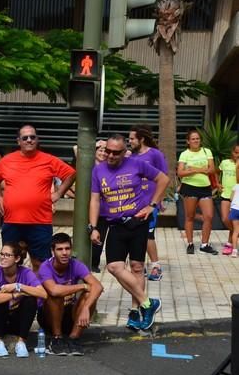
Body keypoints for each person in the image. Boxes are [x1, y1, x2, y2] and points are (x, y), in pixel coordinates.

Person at [89, 134, 168, 332]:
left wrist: (152, 205)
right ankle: (149, 303)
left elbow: (163, 179)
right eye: (108, 151)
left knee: (137, 267)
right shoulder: (98, 171)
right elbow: (95, 200)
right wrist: (93, 227)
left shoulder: (136, 164)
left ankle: (135, 311)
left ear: (125, 152)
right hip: (115, 224)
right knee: (114, 267)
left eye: (116, 152)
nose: (111, 155)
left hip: (138, 221)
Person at [0, 124, 76, 272]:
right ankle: (14, 293)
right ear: (18, 141)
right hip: (12, 221)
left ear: (37, 139)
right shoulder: (7, 160)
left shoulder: (48, 160)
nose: (29, 140)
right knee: (11, 262)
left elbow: (70, 174)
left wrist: (59, 193)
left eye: (33, 137)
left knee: (40, 263)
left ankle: (38, 294)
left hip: (40, 222)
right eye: (25, 138)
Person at [37, 233, 103, 356]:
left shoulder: (76, 265)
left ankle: (74, 339)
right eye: (60, 249)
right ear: (52, 251)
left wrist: (86, 308)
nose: (64, 253)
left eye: (67, 248)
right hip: (49, 317)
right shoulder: (45, 267)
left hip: (70, 315)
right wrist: (82, 286)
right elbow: (54, 290)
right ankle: (56, 339)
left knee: (90, 293)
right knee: (56, 295)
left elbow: (98, 286)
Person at [0, 241, 47, 357]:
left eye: (7, 255)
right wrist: (14, 295)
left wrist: (18, 287)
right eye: (1, 254)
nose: (3, 257)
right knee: (1, 298)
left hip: (16, 321)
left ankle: (21, 342)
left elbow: (43, 294)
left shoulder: (26, 272)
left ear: (17, 259)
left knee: (31, 300)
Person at [129, 124, 169, 280]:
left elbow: (164, 177)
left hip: (150, 203)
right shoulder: (130, 157)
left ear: (142, 139)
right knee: (136, 234)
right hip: (134, 203)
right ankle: (139, 265)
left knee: (148, 235)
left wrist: (160, 200)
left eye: (132, 138)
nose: (130, 141)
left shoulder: (156, 154)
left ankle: (155, 266)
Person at [177, 129, 218, 255]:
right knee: (189, 217)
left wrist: (193, 168)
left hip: (205, 188)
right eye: (193, 139)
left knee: (209, 216)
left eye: (197, 138)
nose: (196, 141)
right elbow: (180, 173)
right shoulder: (184, 154)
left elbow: (211, 170)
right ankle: (190, 243)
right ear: (188, 141)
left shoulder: (207, 151)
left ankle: (204, 244)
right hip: (190, 187)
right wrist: (201, 169)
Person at [90, 140, 109, 272]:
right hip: (90, 207)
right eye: (100, 150)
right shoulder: (88, 166)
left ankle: (94, 263)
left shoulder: (110, 168)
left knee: (100, 236)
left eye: (105, 151)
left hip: (105, 209)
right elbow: (76, 148)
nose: (103, 153)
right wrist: (95, 143)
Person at [218, 143, 239, 255]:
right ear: (232, 152)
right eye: (236, 152)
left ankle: (230, 243)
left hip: (237, 198)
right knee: (225, 219)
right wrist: (217, 183)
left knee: (234, 221)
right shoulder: (225, 163)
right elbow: (216, 173)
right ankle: (236, 234)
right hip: (226, 195)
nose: (238, 155)